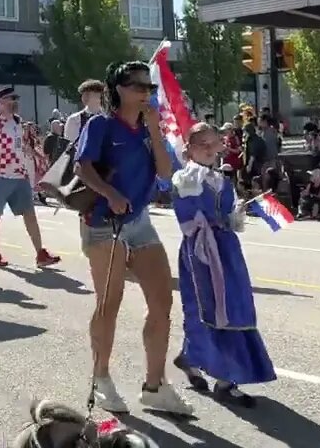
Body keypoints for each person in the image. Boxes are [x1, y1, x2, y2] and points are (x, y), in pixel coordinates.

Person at [75, 61, 192, 415]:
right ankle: (102, 376)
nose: (145, 92)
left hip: (138, 221)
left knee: (162, 303)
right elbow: (83, 167)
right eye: (138, 85)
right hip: (102, 222)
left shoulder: (146, 128)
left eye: (148, 87)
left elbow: (165, 172)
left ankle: (154, 386)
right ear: (119, 88)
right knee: (109, 303)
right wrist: (109, 193)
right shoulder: (100, 125)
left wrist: (155, 130)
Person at [170, 122, 276, 407]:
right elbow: (188, 220)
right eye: (200, 143)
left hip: (226, 248)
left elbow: (225, 217)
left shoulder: (221, 180)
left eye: (212, 143)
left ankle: (192, 357)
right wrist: (213, 223)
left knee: (230, 306)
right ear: (189, 148)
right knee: (214, 308)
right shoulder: (187, 177)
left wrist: (234, 216)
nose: (207, 148)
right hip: (203, 251)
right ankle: (226, 379)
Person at [0, 87, 60, 269]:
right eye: (11, 99)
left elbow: (20, 145)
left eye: (15, 99)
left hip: (20, 175)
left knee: (30, 214)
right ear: (0, 102)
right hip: (1, 175)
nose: (14, 103)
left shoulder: (18, 122)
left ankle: (40, 253)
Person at [64, 79, 106, 145]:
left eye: (89, 94)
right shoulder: (74, 120)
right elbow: (69, 145)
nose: (85, 97)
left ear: (100, 96)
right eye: (83, 94)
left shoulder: (109, 120)